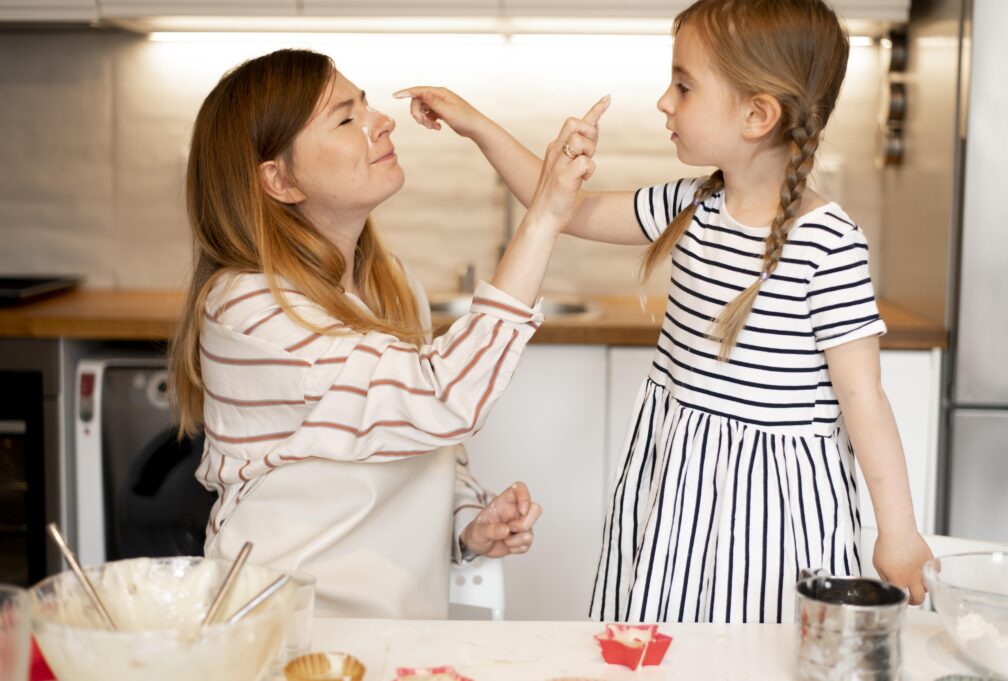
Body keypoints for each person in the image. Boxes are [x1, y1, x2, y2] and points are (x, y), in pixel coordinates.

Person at [396, 0, 933, 623]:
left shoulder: (829, 242)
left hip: (771, 511)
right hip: (676, 485)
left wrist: (898, 532)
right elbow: (565, 210)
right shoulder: (693, 204)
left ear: (757, 114)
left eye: (682, 85)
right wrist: (477, 124)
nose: (663, 102)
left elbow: (863, 398)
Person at [168, 48, 610, 618]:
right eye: (346, 118)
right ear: (279, 179)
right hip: (283, 629)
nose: (382, 122)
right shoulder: (249, 306)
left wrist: (465, 524)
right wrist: (545, 216)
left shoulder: (392, 285)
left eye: (368, 106)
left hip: (395, 634)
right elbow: (442, 396)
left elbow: (415, 440)